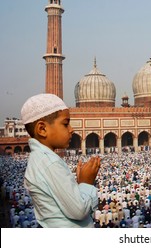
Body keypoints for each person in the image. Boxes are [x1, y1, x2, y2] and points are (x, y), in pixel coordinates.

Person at [21, 93, 101, 227]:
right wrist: (86, 183)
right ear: (42, 129)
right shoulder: (49, 163)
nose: (71, 129)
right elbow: (79, 210)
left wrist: (77, 185)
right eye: (65, 124)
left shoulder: (42, 159)